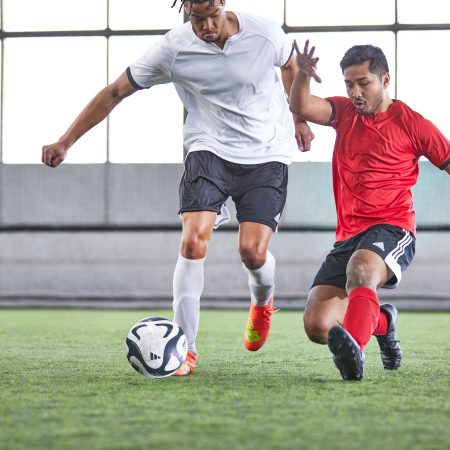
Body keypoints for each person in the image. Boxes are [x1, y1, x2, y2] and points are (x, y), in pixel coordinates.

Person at [42, 0, 314, 376]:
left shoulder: (264, 33)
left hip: (266, 153)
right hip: (208, 150)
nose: (205, 26)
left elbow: (290, 65)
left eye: (211, 17)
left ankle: (262, 300)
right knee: (191, 242)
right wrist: (65, 141)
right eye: (196, 18)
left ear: (223, 4)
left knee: (252, 252)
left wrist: (298, 117)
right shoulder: (173, 48)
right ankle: (186, 348)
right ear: (185, 10)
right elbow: (114, 92)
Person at [289, 40, 450, 381]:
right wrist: (302, 74)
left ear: (385, 80)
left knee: (362, 269)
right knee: (318, 325)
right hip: (348, 235)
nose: (356, 92)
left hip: (392, 228)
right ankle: (383, 322)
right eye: (349, 84)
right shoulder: (344, 113)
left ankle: (355, 356)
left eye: (364, 83)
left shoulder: (412, 123)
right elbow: (301, 105)